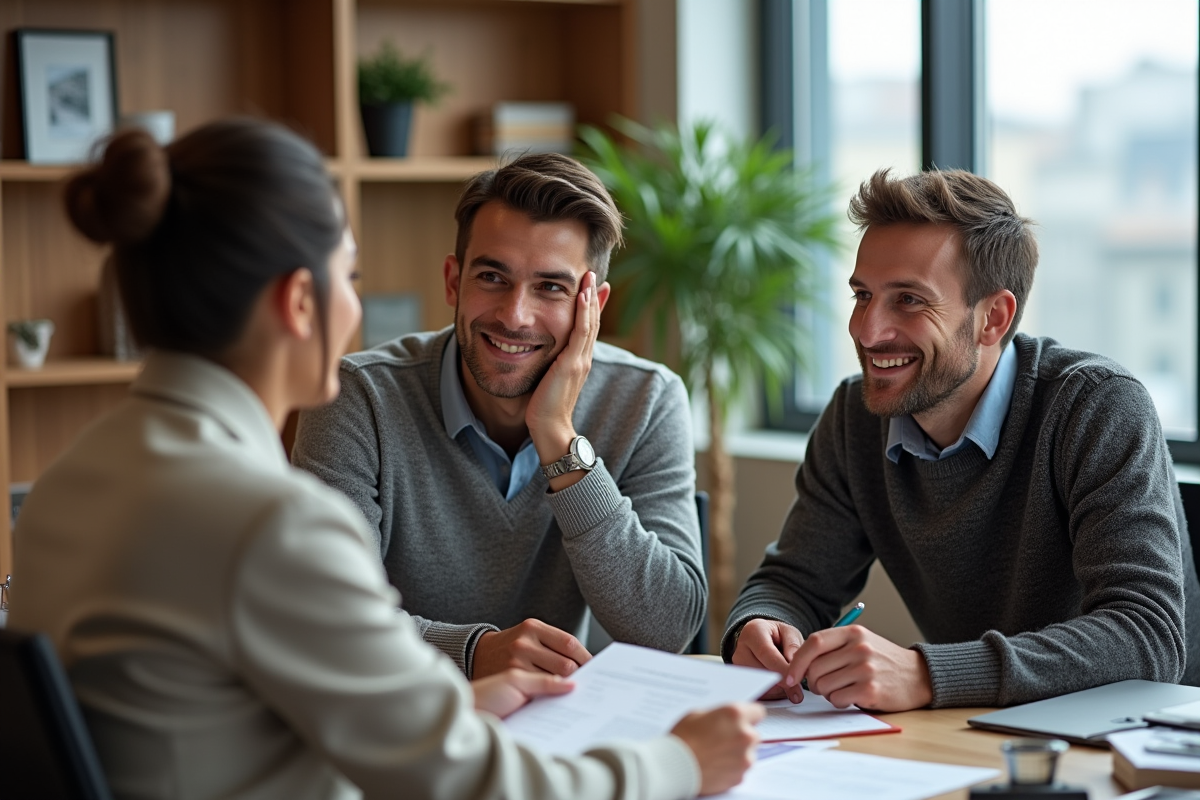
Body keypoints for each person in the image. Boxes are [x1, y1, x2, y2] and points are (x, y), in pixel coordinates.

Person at [8, 119, 762, 799]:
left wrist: (455, 703)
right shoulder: (269, 524)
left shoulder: (64, 486)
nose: (357, 307)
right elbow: (470, 784)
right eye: (352, 275)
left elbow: (235, 711)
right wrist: (679, 765)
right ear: (300, 303)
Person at [724, 168, 1200, 712]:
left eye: (908, 300)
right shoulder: (854, 417)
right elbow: (795, 581)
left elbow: (1149, 636)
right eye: (862, 295)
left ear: (993, 318)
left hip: (1140, 742)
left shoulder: (1096, 406)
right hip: (977, 729)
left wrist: (926, 673)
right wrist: (765, 623)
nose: (867, 330)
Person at [291, 153, 705, 679]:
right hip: (394, 727)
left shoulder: (646, 400)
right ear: (452, 281)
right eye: (492, 277)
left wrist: (558, 437)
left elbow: (667, 629)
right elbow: (323, 619)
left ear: (592, 307)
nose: (514, 316)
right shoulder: (358, 396)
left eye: (551, 287)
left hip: (557, 732)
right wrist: (473, 654)